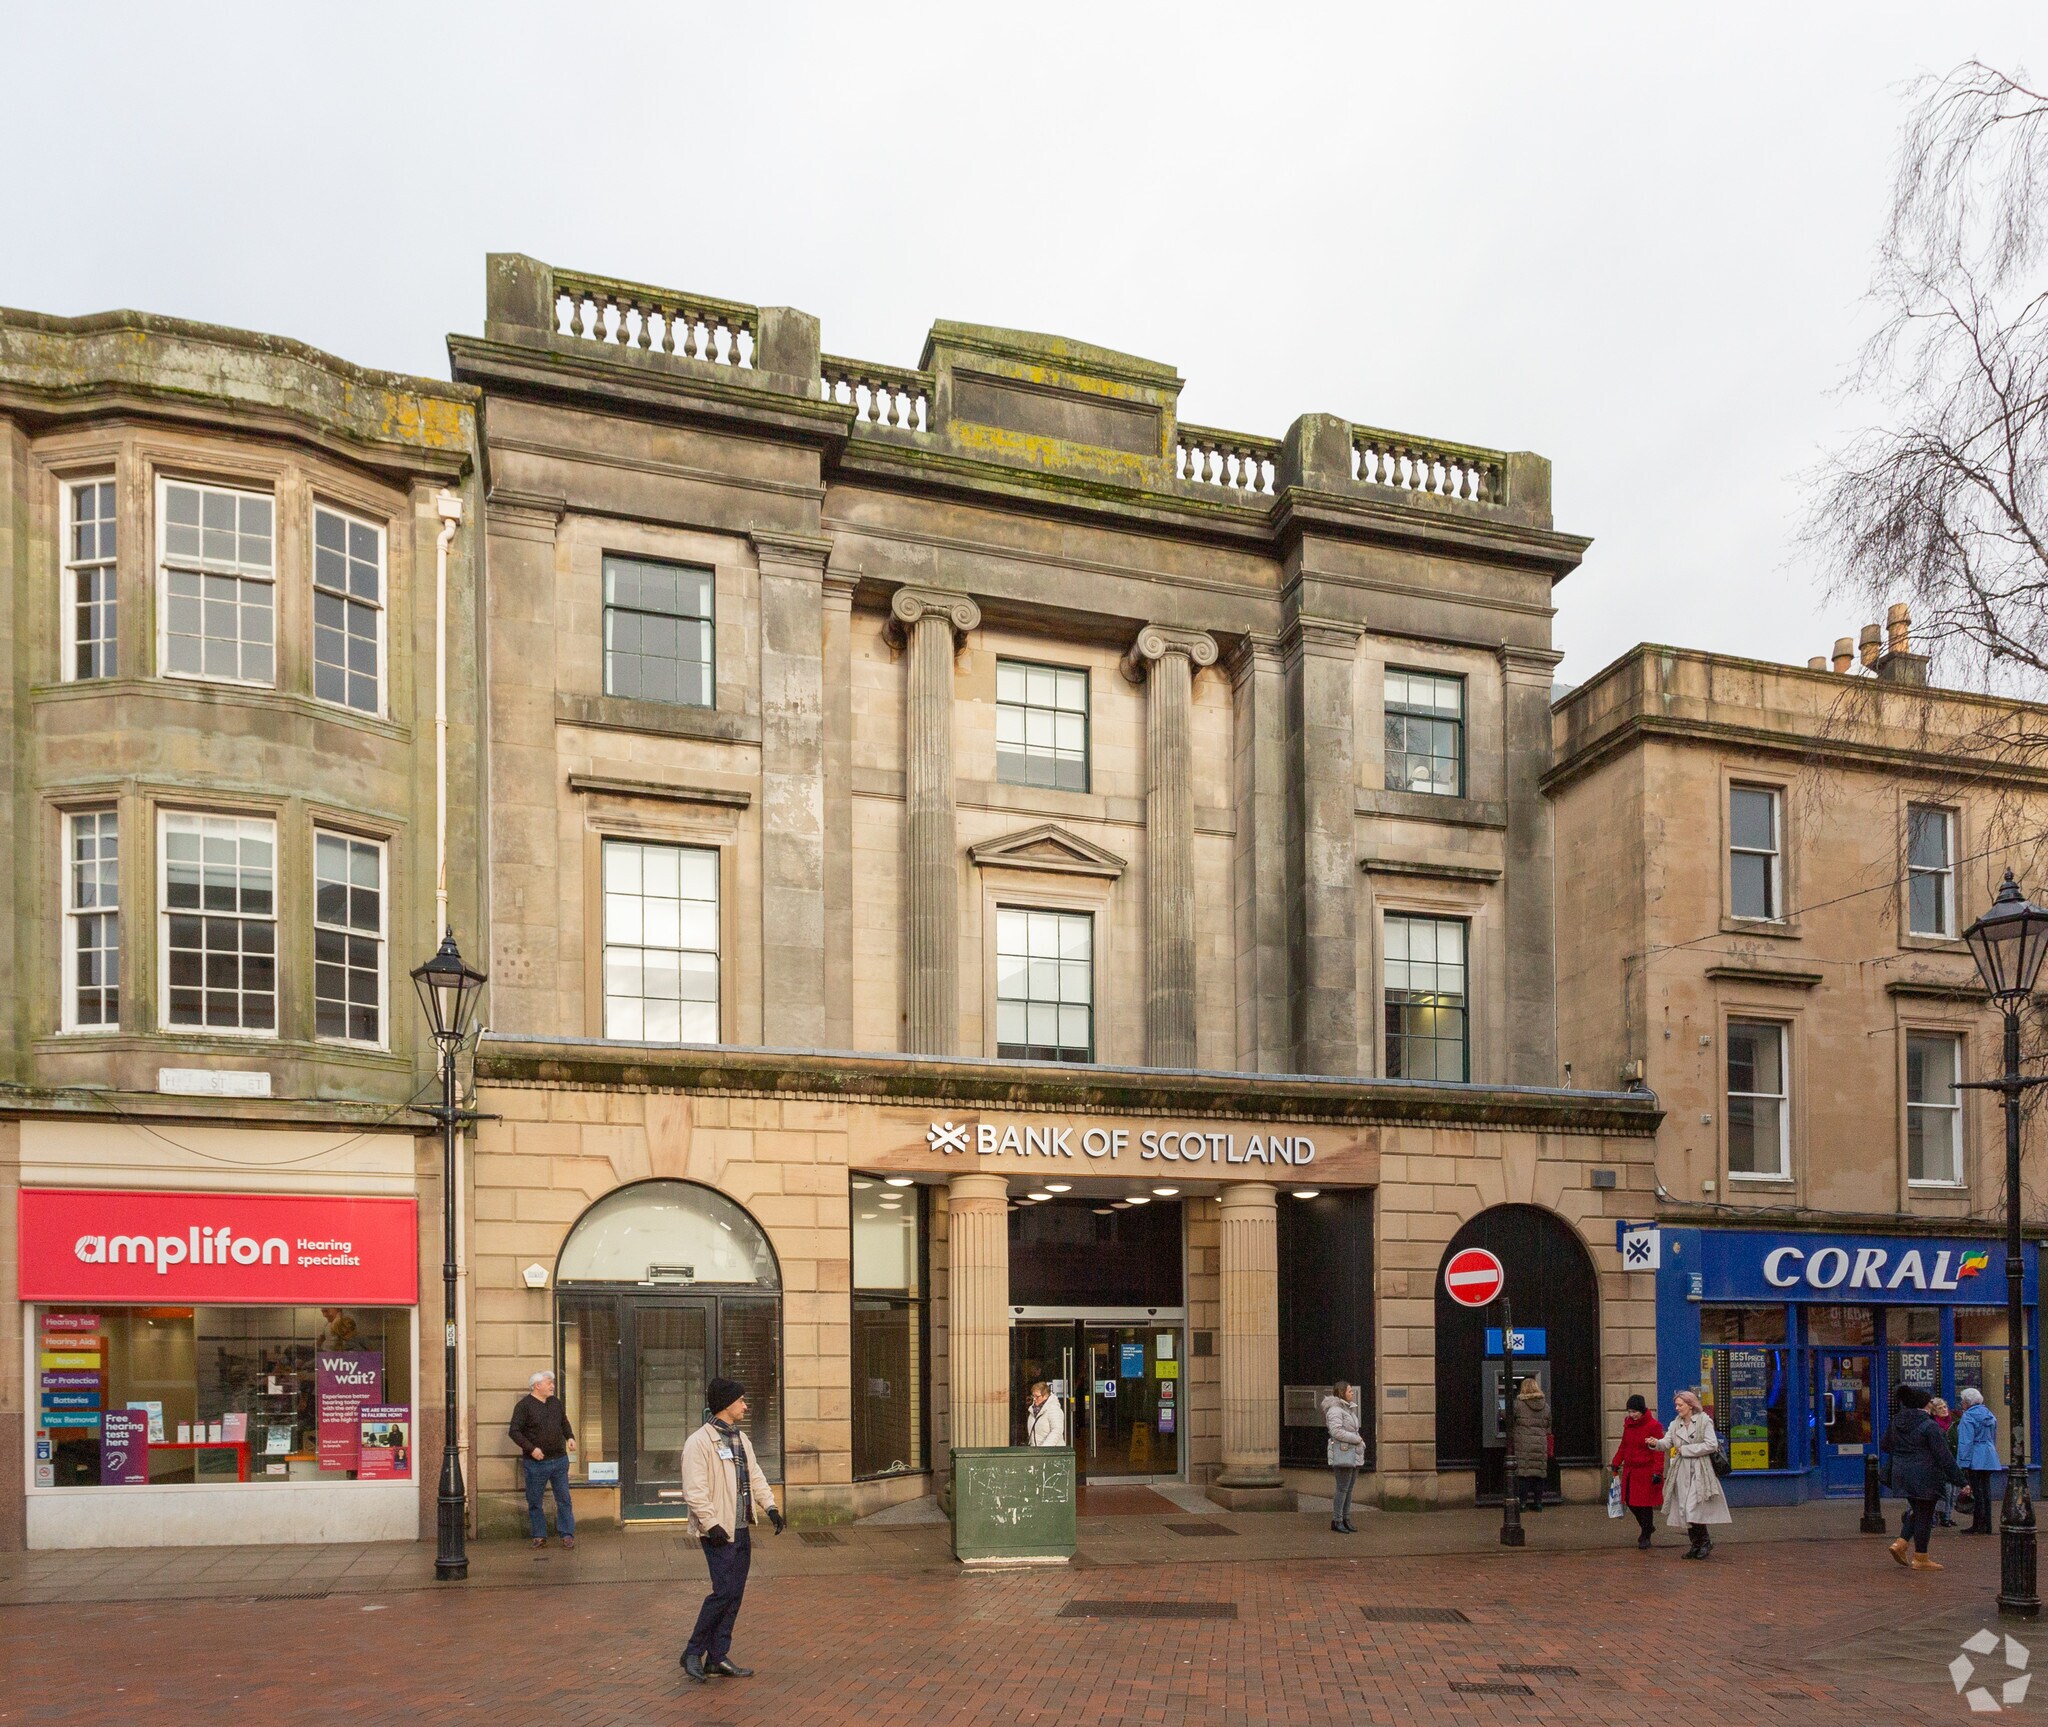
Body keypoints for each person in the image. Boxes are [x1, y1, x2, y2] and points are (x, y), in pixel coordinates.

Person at [679, 1376, 784, 1683]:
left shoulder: (740, 1439)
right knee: (723, 1592)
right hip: (718, 1531)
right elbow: (694, 1490)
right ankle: (692, 1652)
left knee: (734, 1594)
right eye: (741, 1401)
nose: (745, 1405)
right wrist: (711, 1524)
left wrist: (771, 1507)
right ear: (727, 1404)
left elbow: (756, 1476)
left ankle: (717, 1657)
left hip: (740, 1530)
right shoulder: (699, 1442)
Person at [1883, 1381, 1966, 1571]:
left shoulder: (1896, 1421)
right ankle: (1921, 1557)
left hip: (1901, 1473)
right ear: (1924, 1405)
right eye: (1929, 1402)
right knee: (1925, 1514)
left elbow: (1885, 1445)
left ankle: (1901, 1543)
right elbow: (1944, 1456)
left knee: (1918, 1510)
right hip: (1925, 1475)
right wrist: (1961, 1481)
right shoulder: (1929, 1426)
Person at [1649, 1388, 1730, 1558]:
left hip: (1700, 1470)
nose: (1677, 1408)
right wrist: (1655, 1443)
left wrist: (1686, 1449)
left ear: (1690, 1405)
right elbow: (1667, 1443)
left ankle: (1705, 1542)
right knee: (1685, 1509)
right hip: (1681, 1472)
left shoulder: (1703, 1421)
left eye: (1680, 1405)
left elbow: (1711, 1444)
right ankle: (1696, 1544)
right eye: (1676, 1405)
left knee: (1693, 1508)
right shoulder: (1675, 1424)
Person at [507, 1369, 577, 1550]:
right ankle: (539, 1535)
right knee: (535, 1500)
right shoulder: (524, 1406)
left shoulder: (555, 1403)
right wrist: (531, 1449)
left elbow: (564, 1422)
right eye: (549, 1383)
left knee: (564, 1499)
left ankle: (567, 1534)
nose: (552, 1386)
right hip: (536, 1463)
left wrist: (570, 1437)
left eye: (552, 1382)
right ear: (537, 1386)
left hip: (560, 1460)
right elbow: (514, 1431)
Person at [1610, 1393, 1666, 1550]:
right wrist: (1616, 1462)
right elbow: (1624, 1445)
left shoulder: (1653, 1426)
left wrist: (1657, 1472)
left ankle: (1646, 1534)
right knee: (1629, 1501)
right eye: (1629, 1411)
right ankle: (1647, 1527)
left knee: (1644, 1505)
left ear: (1642, 1410)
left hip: (1645, 1471)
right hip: (1630, 1471)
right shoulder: (1628, 1425)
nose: (1632, 1415)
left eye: (1634, 1411)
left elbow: (1659, 1451)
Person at [1955, 1386, 2000, 1536]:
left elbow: (1966, 1442)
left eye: (1963, 1401)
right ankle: (1987, 1524)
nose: (1962, 1404)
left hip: (1975, 1456)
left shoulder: (1968, 1417)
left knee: (1977, 1491)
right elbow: (1993, 1437)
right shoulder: (1989, 1415)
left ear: (1967, 1402)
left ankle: (1978, 1524)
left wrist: (1963, 1462)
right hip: (1989, 1455)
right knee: (1986, 1490)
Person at [1322, 1381, 1365, 1534]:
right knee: (1342, 1489)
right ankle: (1337, 1520)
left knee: (1349, 1489)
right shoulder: (1335, 1410)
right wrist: (1357, 1439)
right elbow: (1336, 1432)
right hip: (1344, 1452)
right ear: (1341, 1392)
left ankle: (1346, 1519)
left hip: (1353, 1453)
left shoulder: (1348, 1409)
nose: (1352, 1393)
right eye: (1349, 1391)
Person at [1509, 1376, 1551, 1511]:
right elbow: (1548, 1425)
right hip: (1540, 1443)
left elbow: (1509, 1419)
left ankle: (1522, 1503)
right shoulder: (1545, 1405)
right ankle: (1538, 1503)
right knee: (1539, 1474)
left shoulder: (1518, 1404)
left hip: (1523, 1444)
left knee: (1524, 1474)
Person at [1024, 1380, 1066, 1448]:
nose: (1034, 1399)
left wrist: (1044, 1449)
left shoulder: (1053, 1409)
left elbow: (1057, 1430)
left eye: (1037, 1396)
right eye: (1033, 1396)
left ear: (1045, 1396)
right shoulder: (1033, 1410)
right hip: (1037, 1452)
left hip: (1052, 1452)